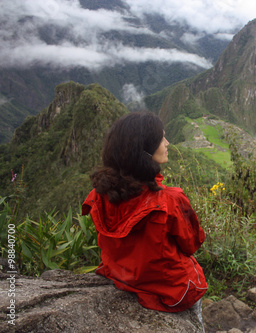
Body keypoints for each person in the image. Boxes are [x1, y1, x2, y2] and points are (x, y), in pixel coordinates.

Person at [82, 112, 208, 329]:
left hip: (120, 278)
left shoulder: (99, 196)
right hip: (170, 291)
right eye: (161, 139)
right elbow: (192, 244)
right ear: (144, 149)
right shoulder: (170, 200)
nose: (167, 143)